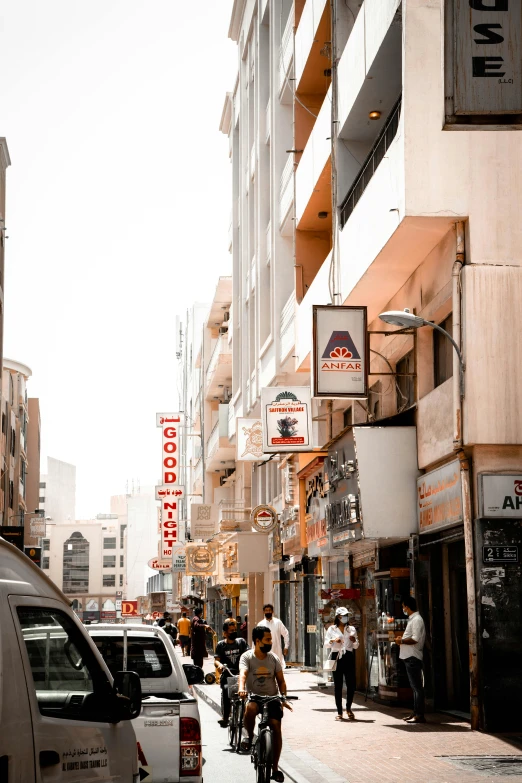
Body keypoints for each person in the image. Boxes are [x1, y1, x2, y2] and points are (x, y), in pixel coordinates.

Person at [238, 625, 292, 782]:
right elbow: (243, 675)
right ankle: (248, 736)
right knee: (250, 708)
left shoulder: (273, 658)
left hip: (272, 698)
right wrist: (242, 689)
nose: (270, 642)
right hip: (255, 696)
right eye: (267, 640)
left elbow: (281, 681)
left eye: (271, 639)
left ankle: (275, 768)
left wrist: (283, 697)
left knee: (276, 727)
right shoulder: (247, 657)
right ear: (257, 641)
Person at [324, 606, 359, 721]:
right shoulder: (331, 629)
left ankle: (348, 708)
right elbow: (326, 644)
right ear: (338, 617)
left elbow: (356, 646)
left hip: (348, 656)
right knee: (338, 685)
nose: (345, 617)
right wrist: (334, 640)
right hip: (336, 656)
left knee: (351, 684)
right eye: (343, 616)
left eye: (346, 615)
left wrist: (354, 641)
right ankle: (339, 711)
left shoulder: (351, 629)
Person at [396, 595, 426, 724]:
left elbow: (415, 639)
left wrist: (401, 640)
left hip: (413, 656)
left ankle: (419, 714)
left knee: (417, 687)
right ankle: (415, 712)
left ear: (407, 607)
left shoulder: (417, 620)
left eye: (403, 607)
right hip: (409, 657)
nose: (403, 609)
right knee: (414, 688)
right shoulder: (412, 619)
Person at [214, 618, 249, 727]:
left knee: (244, 694)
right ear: (225, 633)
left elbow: (248, 654)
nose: (233, 632)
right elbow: (216, 660)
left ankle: (244, 716)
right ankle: (225, 717)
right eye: (231, 631)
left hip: (241, 674)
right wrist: (219, 665)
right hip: (227, 674)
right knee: (225, 691)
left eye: (234, 630)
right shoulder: (220, 645)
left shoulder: (241, 642)